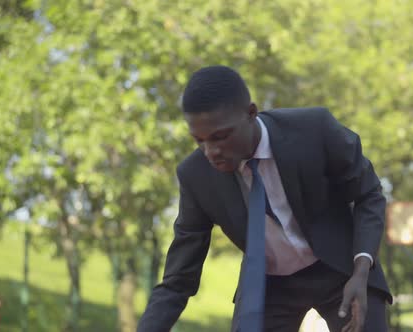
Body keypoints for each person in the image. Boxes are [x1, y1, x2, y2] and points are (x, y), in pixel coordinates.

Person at [138, 66, 391, 332]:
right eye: (199, 141)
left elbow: (369, 193)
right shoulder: (196, 176)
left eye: (220, 137)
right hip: (270, 285)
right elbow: (178, 279)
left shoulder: (313, 130)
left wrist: (362, 269)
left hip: (342, 269)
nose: (211, 151)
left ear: (250, 113)